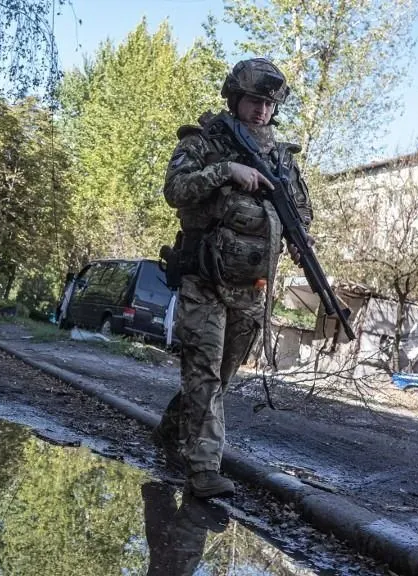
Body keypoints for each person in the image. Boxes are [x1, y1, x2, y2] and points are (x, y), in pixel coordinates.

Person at [153, 58, 314, 499]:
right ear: (235, 98)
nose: (262, 110)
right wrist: (226, 171)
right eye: (254, 100)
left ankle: (170, 433)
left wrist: (302, 244)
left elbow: (300, 215)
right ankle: (204, 471)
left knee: (217, 379)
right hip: (203, 279)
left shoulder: (281, 160)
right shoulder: (206, 142)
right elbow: (175, 191)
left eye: (268, 104)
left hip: (250, 288)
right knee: (203, 374)